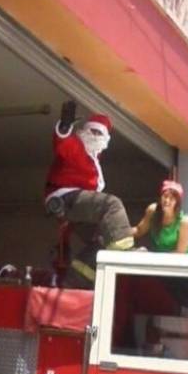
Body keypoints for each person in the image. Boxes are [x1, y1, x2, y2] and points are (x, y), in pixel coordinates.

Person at [45, 101, 134, 285]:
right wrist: (64, 126)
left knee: (102, 239)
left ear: (105, 139)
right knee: (112, 204)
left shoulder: (93, 155)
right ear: (84, 131)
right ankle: (125, 254)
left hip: (76, 207)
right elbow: (62, 144)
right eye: (92, 131)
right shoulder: (77, 147)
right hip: (65, 196)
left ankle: (76, 279)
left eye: (99, 134)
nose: (95, 136)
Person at [133, 180, 188, 253]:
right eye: (165, 196)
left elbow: (180, 253)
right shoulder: (152, 211)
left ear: (177, 203)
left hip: (177, 259)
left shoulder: (184, 221)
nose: (167, 200)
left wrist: (152, 257)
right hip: (157, 256)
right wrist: (122, 232)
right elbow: (139, 230)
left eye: (171, 198)